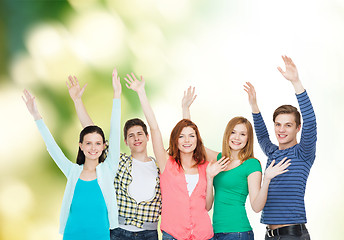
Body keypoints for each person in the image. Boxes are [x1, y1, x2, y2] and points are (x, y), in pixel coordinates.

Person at [22, 69, 121, 240]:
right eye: (88, 143)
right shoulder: (73, 171)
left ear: (104, 146)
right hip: (72, 235)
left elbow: (114, 131)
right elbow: (53, 148)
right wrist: (36, 116)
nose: (93, 148)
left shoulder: (109, 169)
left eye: (98, 143)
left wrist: (117, 96)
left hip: (100, 235)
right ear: (80, 146)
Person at [182, 89, 290, 240]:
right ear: (227, 135)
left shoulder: (251, 164)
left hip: (238, 233)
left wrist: (267, 180)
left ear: (248, 139)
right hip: (215, 232)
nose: (237, 137)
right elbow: (194, 144)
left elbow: (256, 206)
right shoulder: (219, 159)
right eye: (233, 132)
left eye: (242, 134)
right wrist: (185, 110)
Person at [124, 73, 222, 240]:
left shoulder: (205, 166)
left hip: (204, 235)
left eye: (192, 136)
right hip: (173, 235)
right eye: (181, 137)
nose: (186, 141)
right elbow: (154, 128)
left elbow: (207, 206)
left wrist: (210, 178)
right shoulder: (166, 164)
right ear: (175, 141)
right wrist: (141, 92)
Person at [66, 74, 161, 240]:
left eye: (140, 134)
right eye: (131, 135)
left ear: (147, 137)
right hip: (119, 232)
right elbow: (92, 132)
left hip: (149, 233)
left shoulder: (160, 166)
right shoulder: (118, 162)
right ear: (125, 141)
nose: (136, 138)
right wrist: (77, 101)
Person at [244, 55, 317, 239]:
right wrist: (254, 105)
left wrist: (296, 82)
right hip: (270, 234)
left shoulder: (303, 152)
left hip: (292, 234)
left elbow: (311, 121)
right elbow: (261, 135)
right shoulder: (272, 153)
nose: (281, 130)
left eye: (288, 125)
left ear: (298, 128)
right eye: (278, 124)